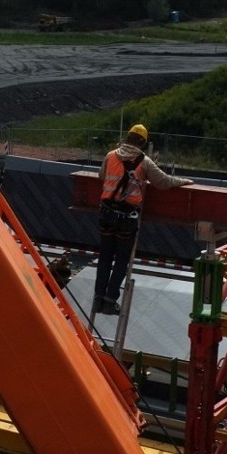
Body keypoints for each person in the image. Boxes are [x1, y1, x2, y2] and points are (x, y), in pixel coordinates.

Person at [93, 124, 192, 316]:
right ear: (143, 143)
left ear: (127, 137)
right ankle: (110, 300)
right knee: (122, 259)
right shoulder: (144, 162)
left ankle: (98, 298)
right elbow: (163, 182)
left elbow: (101, 177)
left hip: (106, 213)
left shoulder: (110, 155)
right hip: (127, 217)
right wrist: (183, 181)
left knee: (105, 256)